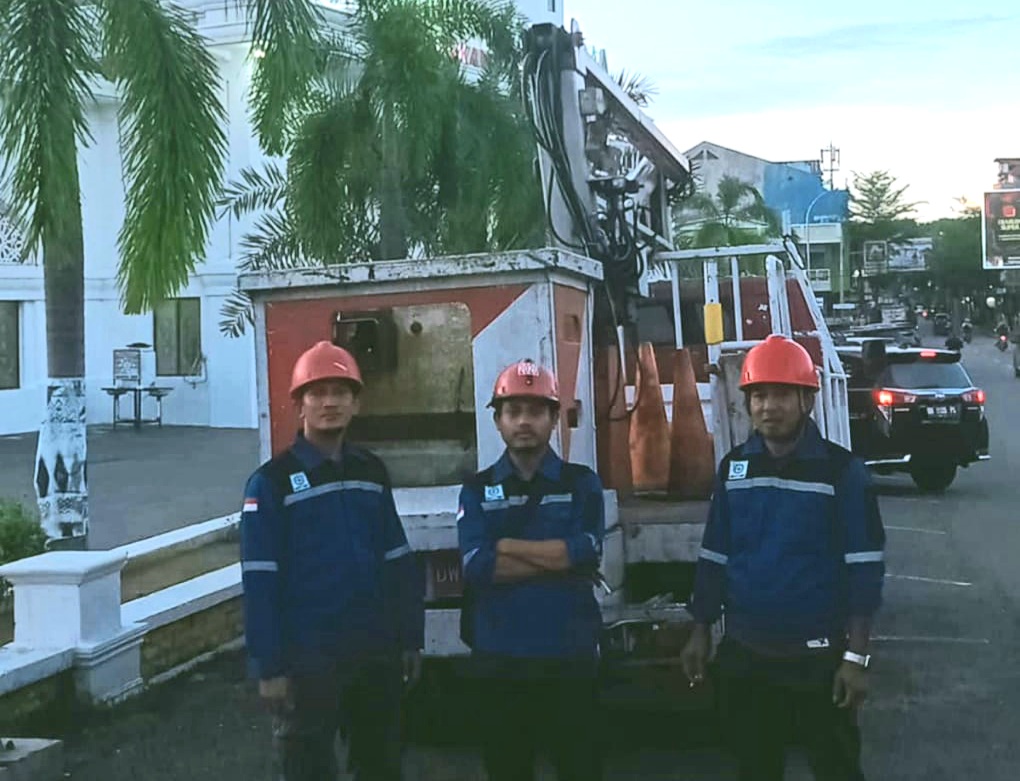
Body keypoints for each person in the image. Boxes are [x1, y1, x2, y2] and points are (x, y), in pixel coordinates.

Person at [682, 334, 886, 781]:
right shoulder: (734, 469)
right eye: (758, 396)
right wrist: (700, 631)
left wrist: (856, 659)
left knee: (835, 769)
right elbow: (715, 554)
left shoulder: (842, 472)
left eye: (780, 395)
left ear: (806, 401)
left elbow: (865, 569)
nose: (768, 407)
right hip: (746, 655)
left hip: (817, 659)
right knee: (755, 767)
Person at [240, 341, 424, 781]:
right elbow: (260, 582)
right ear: (299, 405)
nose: (329, 402)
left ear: (356, 403)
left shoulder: (370, 471)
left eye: (341, 392)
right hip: (308, 659)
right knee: (307, 768)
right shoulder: (271, 483)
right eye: (317, 392)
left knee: (380, 766)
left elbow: (396, 560)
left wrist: (409, 638)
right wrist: (269, 667)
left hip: (374, 652)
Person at [457, 359, 606, 781]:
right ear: (498, 421)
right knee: (508, 769)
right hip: (500, 659)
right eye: (513, 411)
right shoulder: (477, 489)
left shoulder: (582, 484)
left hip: (569, 657)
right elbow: (477, 566)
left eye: (536, 411)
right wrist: (556, 560)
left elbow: (584, 554)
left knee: (580, 768)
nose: (524, 421)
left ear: (554, 418)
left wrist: (506, 545)